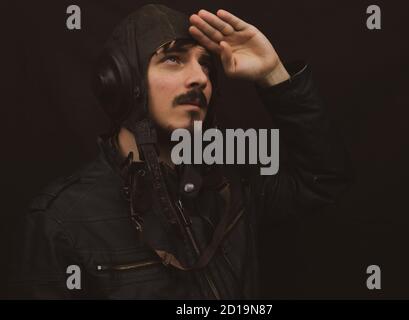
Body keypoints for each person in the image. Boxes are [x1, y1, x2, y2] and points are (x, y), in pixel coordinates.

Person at [11, 4, 352, 299]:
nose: (200, 78)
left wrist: (273, 73)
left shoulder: (232, 183)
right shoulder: (62, 220)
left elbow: (321, 180)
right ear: (119, 81)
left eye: (205, 64)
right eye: (173, 59)